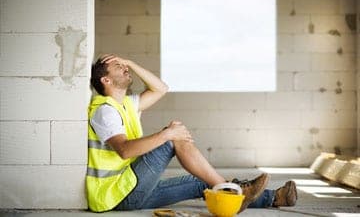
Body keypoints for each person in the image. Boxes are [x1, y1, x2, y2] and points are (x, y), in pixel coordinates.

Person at [86, 54, 297, 213]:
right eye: (118, 66)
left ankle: (275, 198)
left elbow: (161, 88)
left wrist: (129, 62)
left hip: (131, 190)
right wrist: (167, 135)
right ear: (105, 80)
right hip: (116, 194)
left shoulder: (126, 105)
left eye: (123, 65)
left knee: (203, 181)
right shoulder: (105, 110)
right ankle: (235, 190)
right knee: (172, 139)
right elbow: (124, 150)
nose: (124, 67)